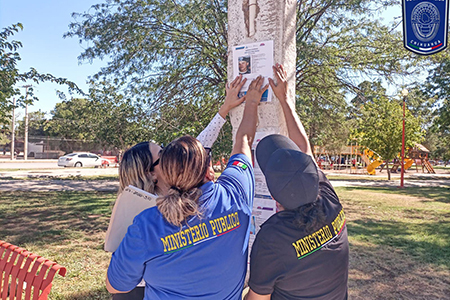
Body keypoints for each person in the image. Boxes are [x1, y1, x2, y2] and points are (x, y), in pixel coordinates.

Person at [106, 76, 268, 299]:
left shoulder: (146, 225)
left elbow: (115, 284)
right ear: (152, 173)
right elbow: (242, 141)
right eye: (162, 155)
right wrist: (252, 103)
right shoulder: (234, 194)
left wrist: (224, 110)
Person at [246, 64, 349, 300]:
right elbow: (305, 149)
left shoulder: (273, 237)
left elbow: (256, 299)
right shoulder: (329, 202)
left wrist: (251, 104)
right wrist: (284, 99)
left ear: (274, 197)